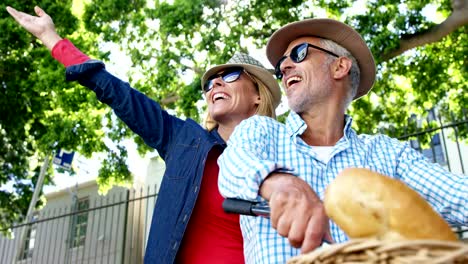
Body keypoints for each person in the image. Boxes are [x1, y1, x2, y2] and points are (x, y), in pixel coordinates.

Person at [6, 6, 282, 263]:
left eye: (232, 75)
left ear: (258, 95)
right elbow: (119, 94)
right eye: (210, 82)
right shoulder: (184, 140)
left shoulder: (287, 152)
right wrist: (52, 38)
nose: (216, 83)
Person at [218, 18, 468, 263]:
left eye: (298, 54)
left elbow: (459, 196)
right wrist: (278, 184)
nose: (283, 68)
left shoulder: (388, 153)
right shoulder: (261, 131)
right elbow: (233, 164)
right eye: (280, 64)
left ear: (340, 66)